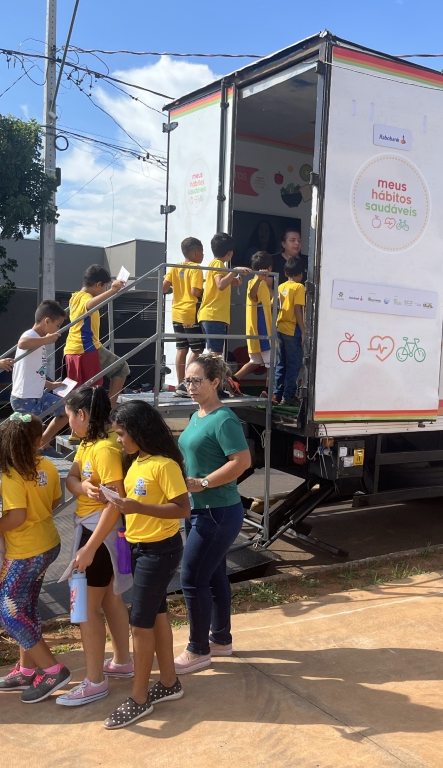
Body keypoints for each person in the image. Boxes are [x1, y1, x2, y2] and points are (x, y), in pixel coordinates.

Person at [102, 400, 189, 729]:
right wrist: (114, 497)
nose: (119, 440)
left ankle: (139, 698)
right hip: (141, 548)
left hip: (159, 550)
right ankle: (169, 682)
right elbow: (137, 502)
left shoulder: (164, 465)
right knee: (157, 615)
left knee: (140, 624)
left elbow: (182, 509)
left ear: (139, 432)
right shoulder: (136, 461)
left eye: (122, 434)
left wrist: (136, 506)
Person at [56, 385, 133, 707]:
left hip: (98, 535)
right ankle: (122, 661)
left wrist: (89, 548)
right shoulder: (88, 445)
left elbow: (115, 502)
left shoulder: (104, 449)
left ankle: (94, 682)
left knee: (85, 609)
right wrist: (84, 486)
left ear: (83, 414)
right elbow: (71, 479)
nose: (67, 422)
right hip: (94, 533)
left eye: (69, 416)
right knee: (112, 599)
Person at [174, 353, 252, 674]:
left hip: (217, 512)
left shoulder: (224, 420)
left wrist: (203, 483)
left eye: (196, 381)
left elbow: (241, 461)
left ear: (215, 383)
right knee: (215, 575)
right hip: (201, 511)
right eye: (187, 380)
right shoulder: (198, 416)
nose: (189, 386)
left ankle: (198, 649)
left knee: (192, 578)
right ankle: (220, 640)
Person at [0, 413, 71, 703]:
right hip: (48, 544)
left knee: (8, 612)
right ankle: (26, 669)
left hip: (25, 552)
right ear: (38, 441)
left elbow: (16, 517)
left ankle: (52, 670)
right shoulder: (47, 465)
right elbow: (55, 501)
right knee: (25, 608)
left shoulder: (11, 474)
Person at [12, 299, 71, 449]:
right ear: (47, 321)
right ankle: (30, 454)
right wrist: (46, 339)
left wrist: (50, 384)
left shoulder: (39, 341)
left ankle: (42, 443)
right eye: (57, 325)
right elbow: (22, 343)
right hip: (24, 397)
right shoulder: (31, 335)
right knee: (29, 435)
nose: (58, 330)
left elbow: (35, 371)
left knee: (66, 411)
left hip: (38, 394)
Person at [64, 265, 125, 389]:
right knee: (121, 369)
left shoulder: (75, 297)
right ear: (98, 284)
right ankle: (110, 406)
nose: (105, 289)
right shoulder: (85, 298)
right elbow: (89, 304)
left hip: (72, 349)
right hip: (86, 348)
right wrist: (112, 291)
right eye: (105, 287)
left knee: (76, 391)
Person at [163, 238, 205, 395]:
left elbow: (163, 288)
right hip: (190, 312)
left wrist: (178, 286)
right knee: (198, 348)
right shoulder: (196, 268)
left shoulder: (175, 267)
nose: (203, 255)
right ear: (196, 253)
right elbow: (195, 292)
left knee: (182, 348)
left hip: (176, 312)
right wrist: (205, 291)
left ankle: (180, 382)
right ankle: (186, 383)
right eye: (202, 252)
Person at [198, 233, 250, 356]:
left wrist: (234, 281)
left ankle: (194, 375)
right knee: (215, 355)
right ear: (230, 253)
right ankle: (204, 376)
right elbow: (220, 284)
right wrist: (235, 271)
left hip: (211, 316)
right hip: (214, 315)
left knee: (211, 354)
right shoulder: (218, 264)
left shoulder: (214, 264)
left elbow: (218, 282)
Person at [232, 251, 274, 386]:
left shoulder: (263, 285)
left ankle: (233, 380)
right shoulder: (254, 282)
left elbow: (261, 303)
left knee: (255, 361)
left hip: (259, 328)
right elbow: (252, 295)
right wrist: (259, 279)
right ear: (269, 269)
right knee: (271, 363)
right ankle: (267, 394)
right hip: (262, 330)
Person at [274, 257, 306, 406]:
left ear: (286, 273)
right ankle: (289, 396)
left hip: (280, 327)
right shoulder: (299, 287)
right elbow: (297, 309)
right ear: (301, 274)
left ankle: (277, 394)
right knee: (294, 364)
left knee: (282, 363)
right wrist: (303, 329)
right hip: (292, 329)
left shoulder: (281, 286)